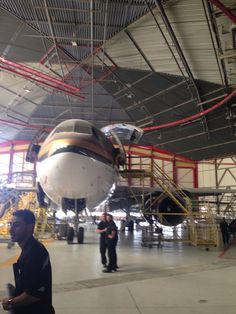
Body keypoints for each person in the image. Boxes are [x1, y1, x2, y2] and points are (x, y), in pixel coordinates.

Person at [1, 209, 55, 314]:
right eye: (10, 224)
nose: (11, 230)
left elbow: (33, 294)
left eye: (16, 225)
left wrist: (10, 302)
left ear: (30, 227)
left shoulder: (35, 253)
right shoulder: (29, 249)